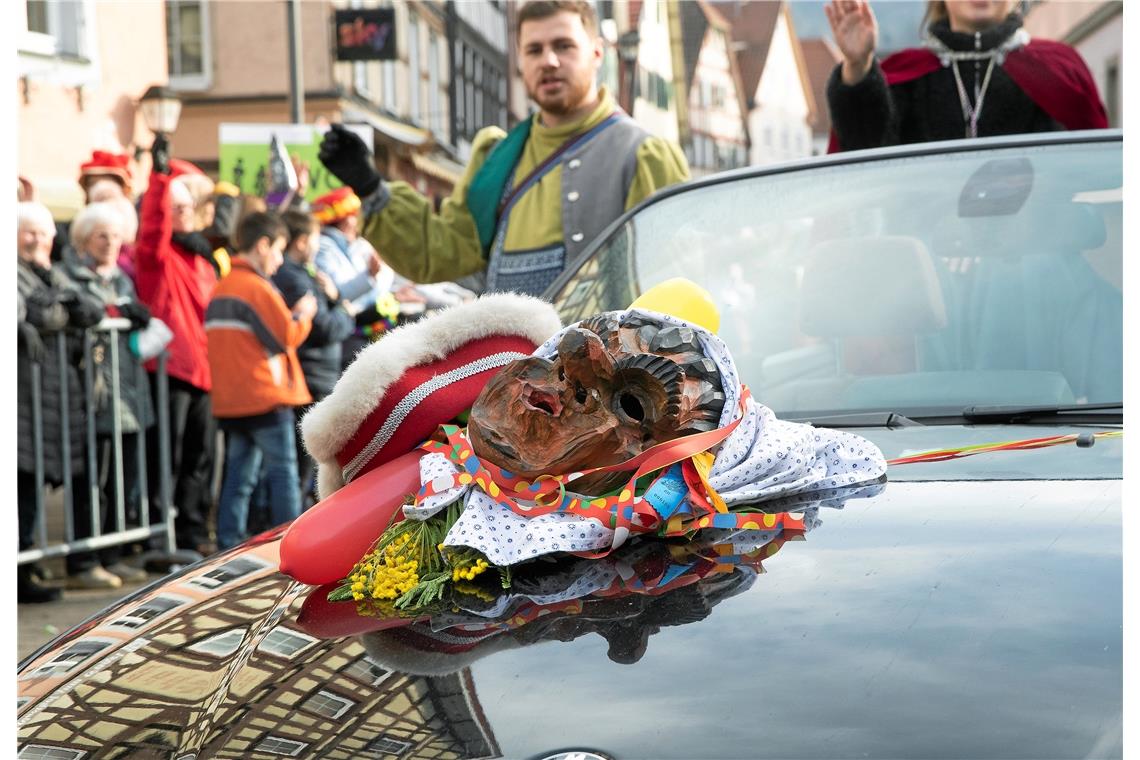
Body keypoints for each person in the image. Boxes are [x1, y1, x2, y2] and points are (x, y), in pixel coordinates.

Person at [317, 0, 690, 298]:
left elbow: (667, 284)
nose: (549, 61)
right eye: (534, 50)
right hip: (513, 365)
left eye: (564, 46)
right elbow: (445, 252)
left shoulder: (643, 154)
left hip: (603, 366)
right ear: (521, 60)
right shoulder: (498, 156)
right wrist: (371, 187)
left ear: (597, 53)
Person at [825, 0, 1108, 152]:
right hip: (924, 241)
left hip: (1035, 239)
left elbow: (1085, 166)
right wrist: (858, 66)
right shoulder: (907, 75)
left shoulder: (1058, 69)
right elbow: (865, 153)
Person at [16, 202, 113, 598]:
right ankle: (20, 571)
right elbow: (46, 317)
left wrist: (66, 304)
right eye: (29, 232)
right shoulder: (14, 272)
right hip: (25, 397)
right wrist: (63, 307)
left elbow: (90, 311)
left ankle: (28, 566)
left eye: (43, 233)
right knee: (22, 484)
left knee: (38, 482)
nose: (37, 240)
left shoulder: (51, 272)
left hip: (56, 397)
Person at [205, 212, 317, 550]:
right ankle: (293, 543)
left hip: (233, 399)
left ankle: (228, 543)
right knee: (283, 472)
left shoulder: (222, 286)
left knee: (239, 475)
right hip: (264, 397)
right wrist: (305, 314)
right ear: (263, 245)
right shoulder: (255, 287)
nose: (280, 260)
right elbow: (286, 336)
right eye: (278, 250)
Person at [134, 135, 219, 554]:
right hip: (172, 368)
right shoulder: (158, 256)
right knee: (165, 456)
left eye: (187, 207)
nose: (184, 213)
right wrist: (159, 178)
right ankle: (158, 533)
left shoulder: (202, 259)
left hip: (204, 369)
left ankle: (190, 531)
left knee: (199, 456)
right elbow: (152, 229)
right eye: (176, 208)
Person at [67, 202, 158, 584]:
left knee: (123, 478)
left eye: (116, 236)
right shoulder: (70, 278)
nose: (109, 242)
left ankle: (113, 552)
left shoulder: (123, 280)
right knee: (92, 480)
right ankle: (85, 560)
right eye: (101, 236)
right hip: (93, 395)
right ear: (83, 240)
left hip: (130, 393)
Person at [271, 210, 356, 506]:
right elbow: (326, 328)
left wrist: (334, 297)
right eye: (316, 239)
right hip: (310, 376)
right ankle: (297, 515)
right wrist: (345, 311)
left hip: (317, 374)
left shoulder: (305, 274)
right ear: (303, 241)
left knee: (306, 462)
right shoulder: (293, 278)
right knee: (305, 461)